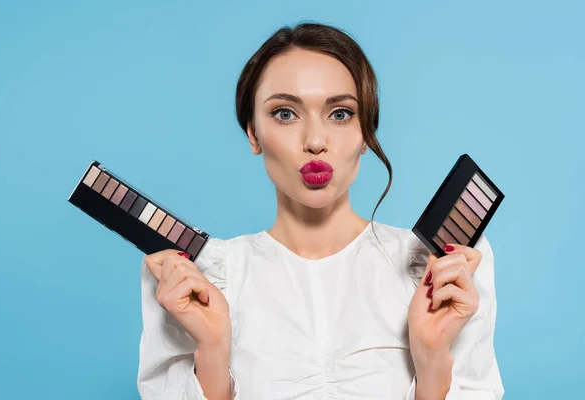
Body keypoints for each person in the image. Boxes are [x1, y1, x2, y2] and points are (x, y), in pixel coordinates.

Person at [136, 22, 505, 400]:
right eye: (284, 113)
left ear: (367, 134)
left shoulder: (441, 270)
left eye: (341, 113)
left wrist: (432, 361)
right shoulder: (195, 279)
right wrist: (212, 351)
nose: (315, 141)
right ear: (252, 133)